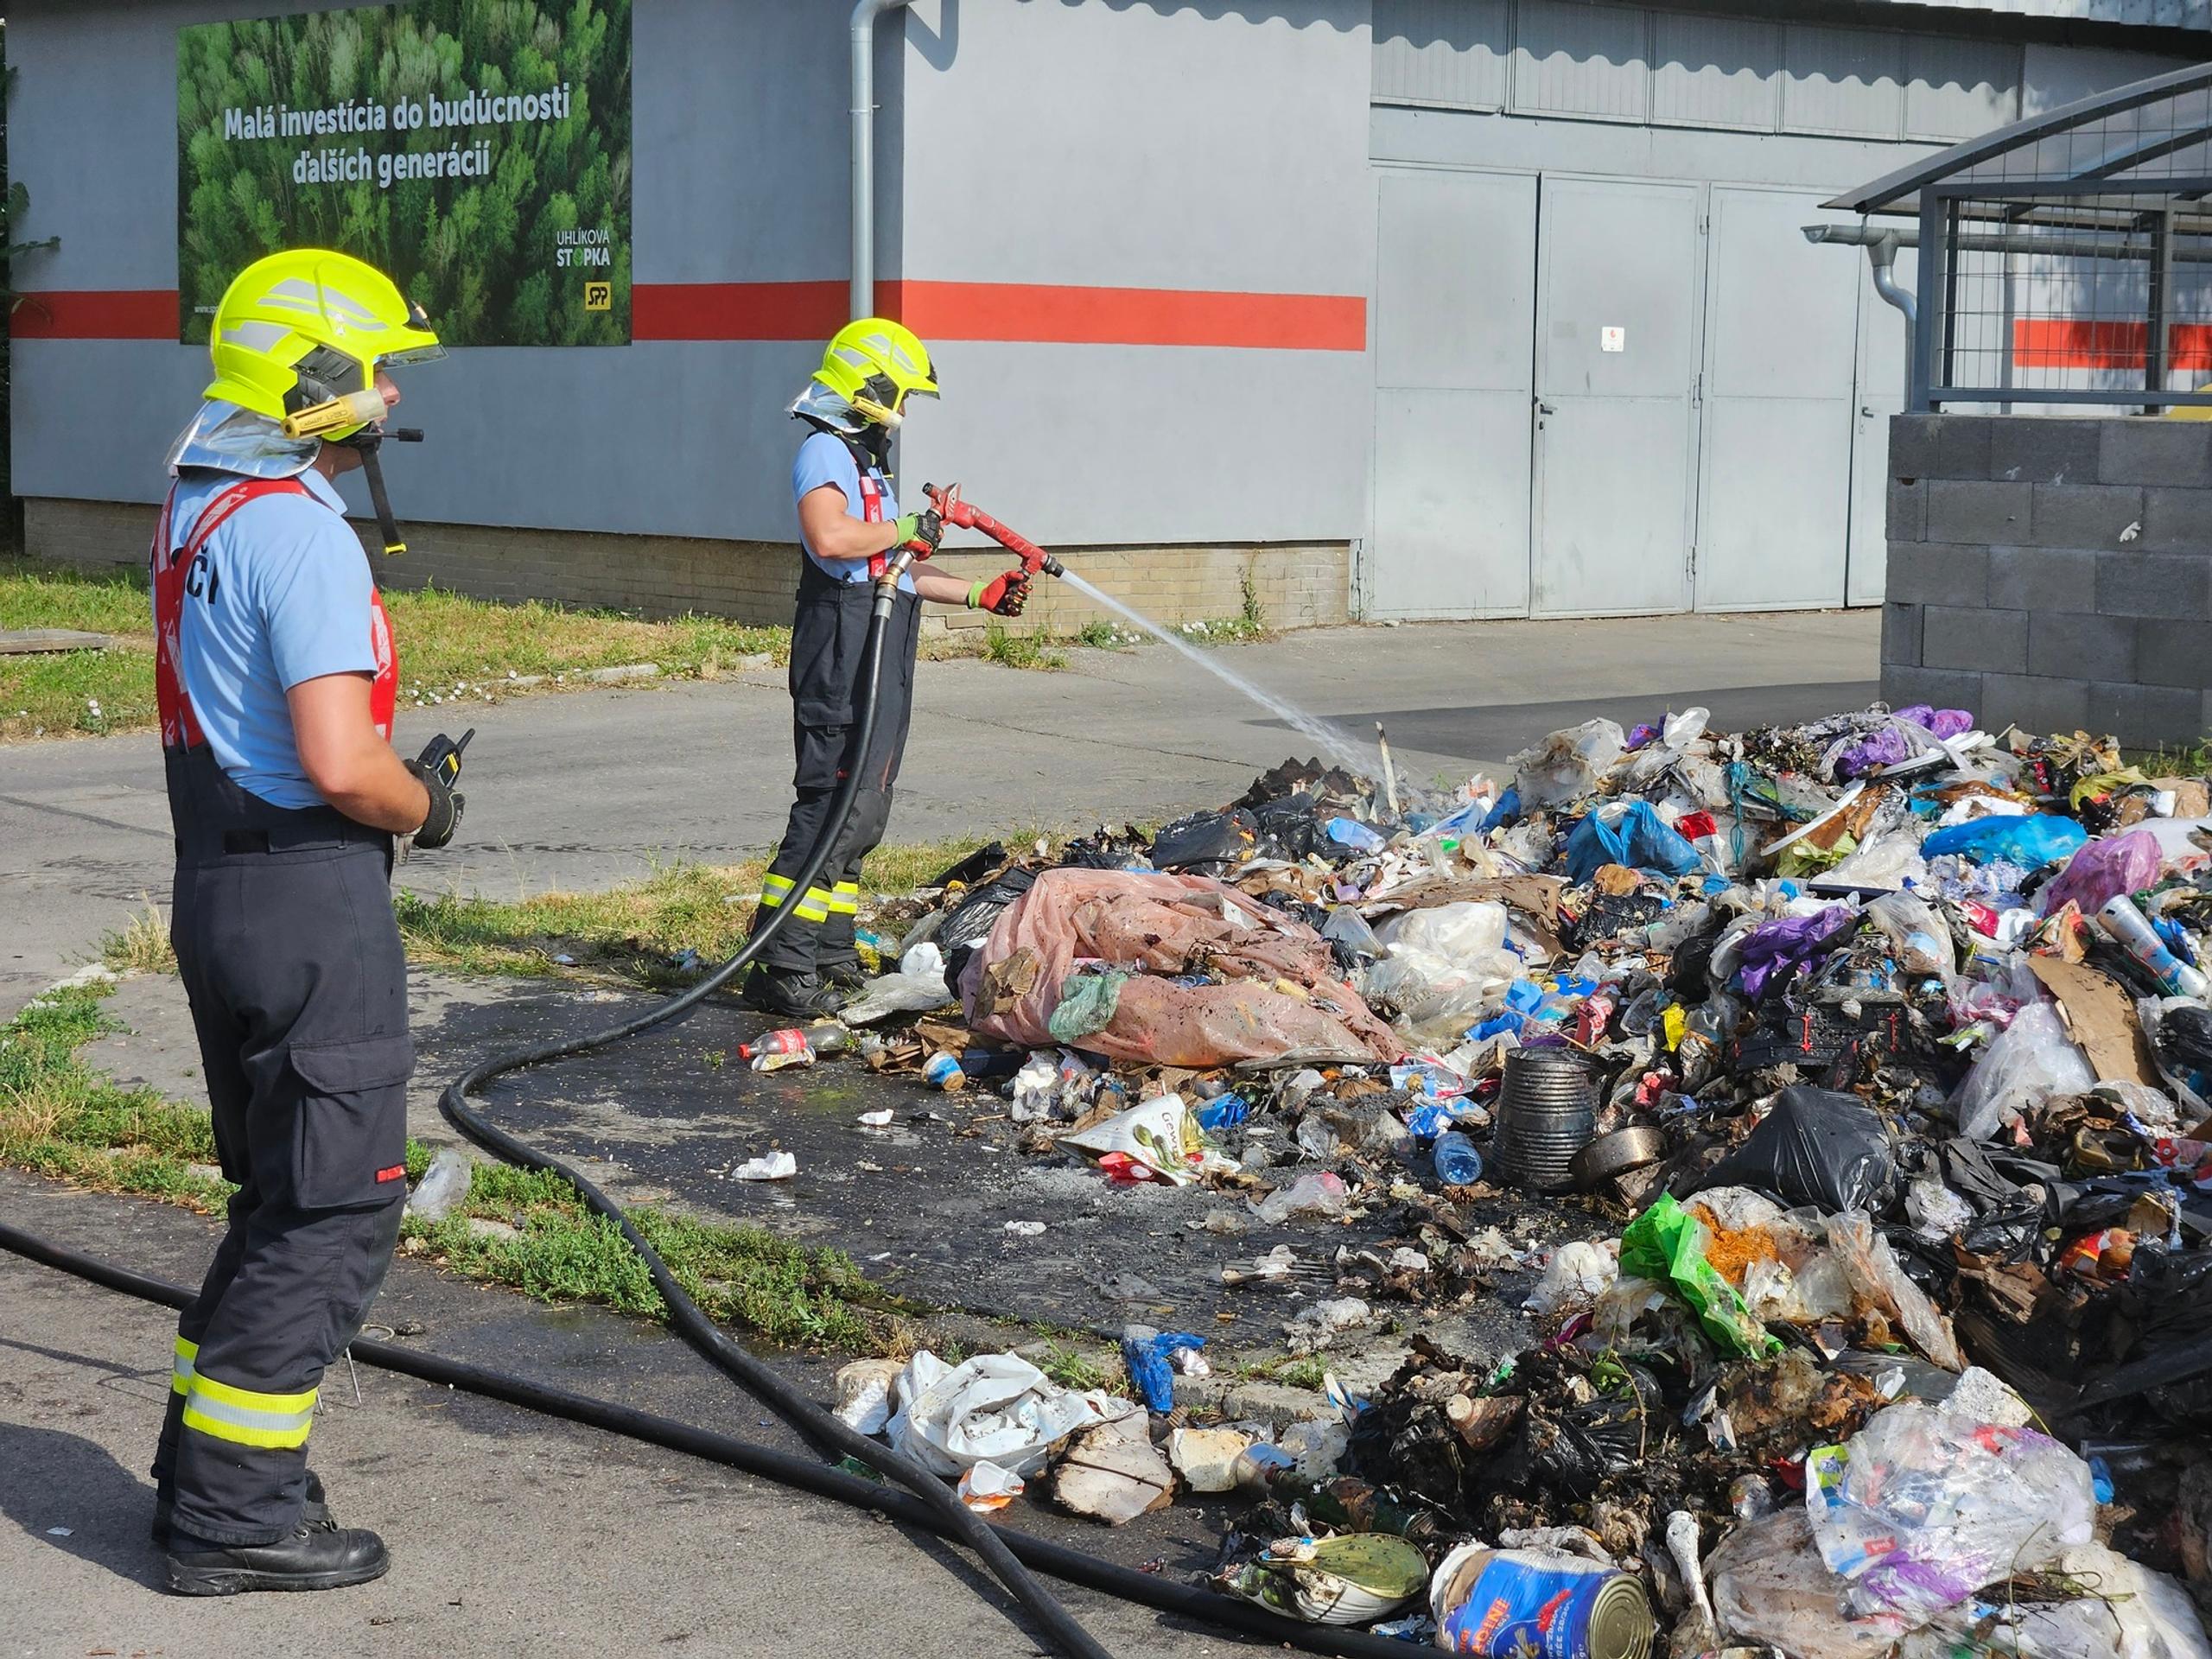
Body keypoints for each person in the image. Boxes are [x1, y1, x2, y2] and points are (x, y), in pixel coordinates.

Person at [149, 248, 469, 1596]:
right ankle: (233, 1518)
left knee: (277, 1198)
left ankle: (204, 1469)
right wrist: (426, 807)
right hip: (304, 895)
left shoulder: (200, 501)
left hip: (219, 882)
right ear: (320, 381)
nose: (394, 393)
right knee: (336, 1208)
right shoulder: (296, 529)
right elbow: (342, 763)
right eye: (381, 369)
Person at [743, 319, 1033, 1017]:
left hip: (879, 644)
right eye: (898, 396)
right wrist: (905, 529)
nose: (901, 413)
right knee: (829, 804)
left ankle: (830, 952)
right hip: (840, 646)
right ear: (866, 389)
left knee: (864, 809)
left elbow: (896, 569)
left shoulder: (868, 463)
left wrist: (977, 593)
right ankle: (781, 964)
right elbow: (830, 536)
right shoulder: (823, 450)